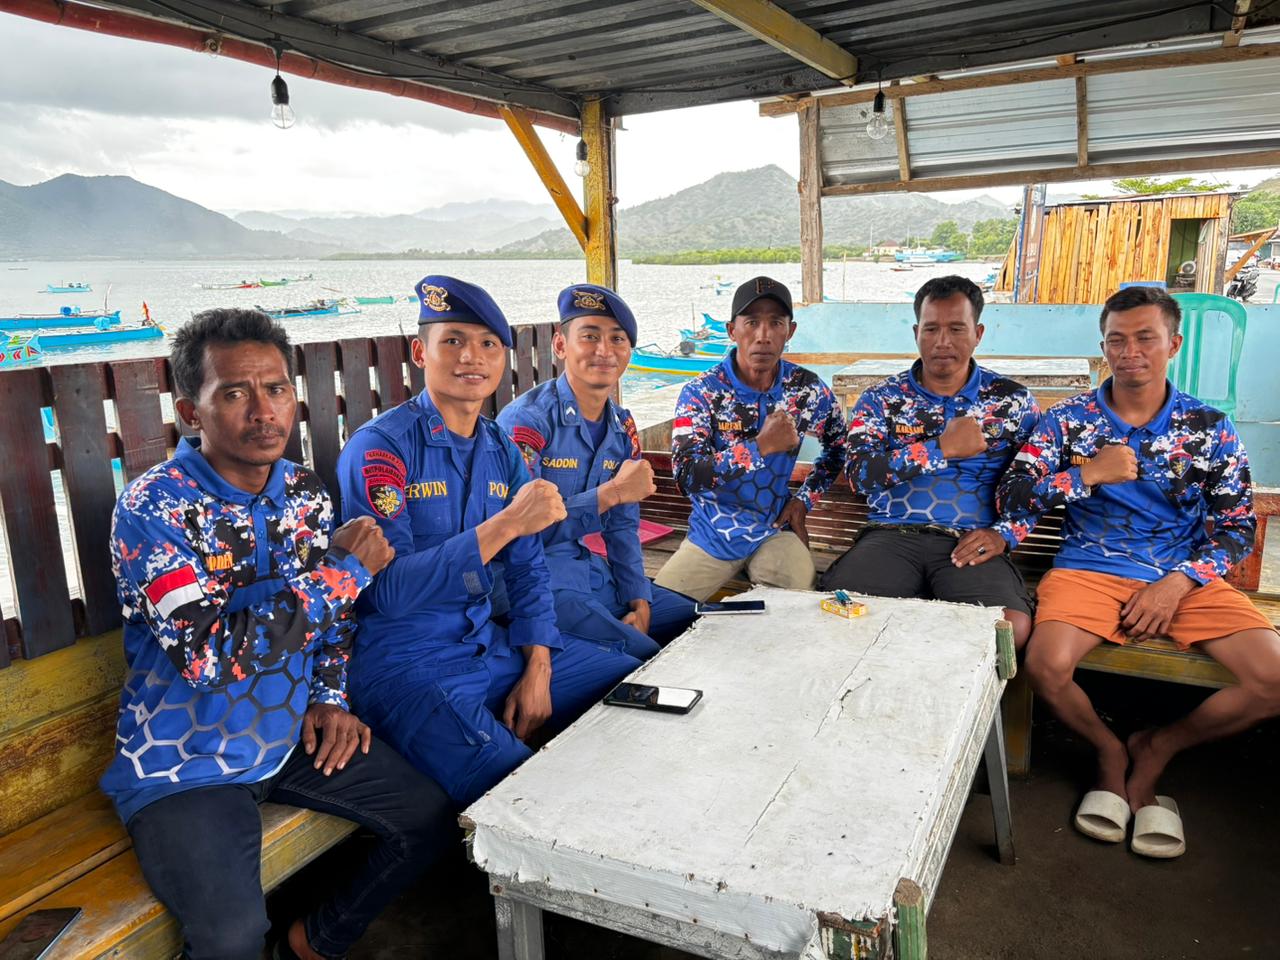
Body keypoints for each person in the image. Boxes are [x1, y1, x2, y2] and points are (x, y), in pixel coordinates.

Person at [101, 308, 452, 960]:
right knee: (231, 938)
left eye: (277, 389)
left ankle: (310, 944)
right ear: (190, 411)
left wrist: (329, 700)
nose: (263, 410)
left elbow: (334, 628)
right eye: (234, 393)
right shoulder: (156, 508)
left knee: (428, 820)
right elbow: (209, 657)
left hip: (288, 733)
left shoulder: (305, 494)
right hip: (187, 763)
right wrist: (345, 574)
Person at [338, 276, 640, 809]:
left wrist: (539, 665)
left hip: (485, 645)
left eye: (487, 344)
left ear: (502, 357)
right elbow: (383, 594)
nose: (471, 357)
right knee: (524, 797)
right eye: (452, 340)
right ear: (420, 352)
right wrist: (503, 525)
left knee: (628, 684)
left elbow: (527, 569)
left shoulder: (499, 445)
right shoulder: (380, 450)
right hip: (409, 666)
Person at [998, 285, 1280, 857]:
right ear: (1103, 347)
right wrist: (1087, 474)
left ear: (1172, 344)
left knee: (1273, 680)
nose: (1130, 351)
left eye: (1145, 338)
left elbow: (1234, 527)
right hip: (1087, 568)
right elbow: (1013, 495)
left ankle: (1158, 748)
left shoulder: (1210, 427)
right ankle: (1108, 750)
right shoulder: (1068, 422)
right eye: (1116, 340)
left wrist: (1178, 583)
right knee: (1044, 664)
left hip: (1185, 575)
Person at [819, 275, 1038, 647]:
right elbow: (858, 475)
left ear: (978, 332)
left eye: (956, 328)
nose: (942, 342)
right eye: (931, 328)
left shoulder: (1011, 401)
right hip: (890, 535)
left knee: (1006, 629)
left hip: (968, 541)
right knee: (844, 620)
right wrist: (940, 449)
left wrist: (1005, 534)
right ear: (916, 332)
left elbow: (1032, 483)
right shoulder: (881, 399)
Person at [496, 283, 697, 659]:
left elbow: (622, 523)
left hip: (588, 570)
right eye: (590, 336)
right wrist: (610, 493)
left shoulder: (622, 427)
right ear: (560, 346)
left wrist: (638, 596)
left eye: (617, 339)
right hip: (533, 582)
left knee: (698, 620)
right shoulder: (528, 423)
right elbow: (516, 533)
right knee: (649, 656)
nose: (604, 351)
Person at [652, 276, 847, 601]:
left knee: (797, 610)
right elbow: (687, 476)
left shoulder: (806, 389)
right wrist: (760, 448)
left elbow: (839, 447)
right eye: (752, 322)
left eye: (775, 323)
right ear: (732, 330)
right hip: (712, 534)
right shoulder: (702, 392)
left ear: (791, 331)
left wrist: (803, 501)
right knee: (661, 615)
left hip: (774, 532)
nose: (763, 335)